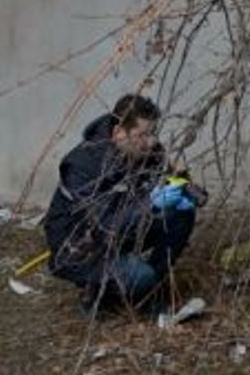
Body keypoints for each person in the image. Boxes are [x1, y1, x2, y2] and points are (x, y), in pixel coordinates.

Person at [44, 94, 200, 317]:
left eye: (153, 132)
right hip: (79, 246)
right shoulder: (82, 165)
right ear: (119, 133)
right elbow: (105, 225)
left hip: (122, 228)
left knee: (181, 215)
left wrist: (183, 186)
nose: (152, 141)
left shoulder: (147, 151)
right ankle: (96, 293)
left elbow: (164, 178)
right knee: (139, 275)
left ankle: (147, 291)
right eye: (143, 135)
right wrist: (151, 203)